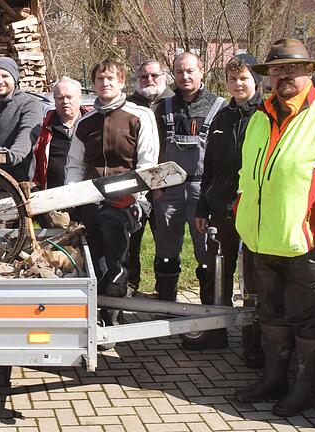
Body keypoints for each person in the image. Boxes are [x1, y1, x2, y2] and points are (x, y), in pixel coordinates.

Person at [234, 39, 315, 417]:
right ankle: (273, 379)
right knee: (269, 314)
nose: (284, 75)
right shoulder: (259, 116)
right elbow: (247, 175)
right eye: (277, 69)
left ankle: (304, 389)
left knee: (305, 321)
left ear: (310, 71)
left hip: (305, 246)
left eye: (293, 68)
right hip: (260, 240)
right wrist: (241, 210)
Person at [66, 58, 158, 341]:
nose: (105, 83)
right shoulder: (85, 122)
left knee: (114, 245)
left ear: (121, 82)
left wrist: (136, 196)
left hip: (126, 199)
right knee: (94, 256)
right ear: (93, 84)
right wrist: (72, 197)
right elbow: (74, 164)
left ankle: (113, 312)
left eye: (111, 79)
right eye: (100, 79)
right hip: (91, 199)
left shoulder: (139, 115)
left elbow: (147, 163)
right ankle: (98, 313)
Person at [184, 54, 264, 366]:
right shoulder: (222, 117)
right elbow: (211, 168)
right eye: (232, 79)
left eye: (243, 78)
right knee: (215, 274)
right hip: (220, 210)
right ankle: (215, 332)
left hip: (253, 212)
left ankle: (253, 343)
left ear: (255, 81)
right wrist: (203, 207)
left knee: (253, 278)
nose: (237, 84)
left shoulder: (266, 115)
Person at [153, 52, 227, 301]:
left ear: (201, 71)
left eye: (190, 71)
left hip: (201, 191)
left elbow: (223, 156)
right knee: (165, 251)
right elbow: (155, 151)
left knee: (206, 250)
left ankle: (208, 307)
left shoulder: (219, 107)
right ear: (173, 74)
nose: (184, 76)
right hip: (168, 189)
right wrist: (155, 189)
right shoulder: (163, 108)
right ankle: (166, 306)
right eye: (179, 71)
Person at [126, 60, 174, 291]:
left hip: (167, 183)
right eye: (144, 76)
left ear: (163, 76)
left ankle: (164, 288)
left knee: (165, 240)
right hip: (135, 183)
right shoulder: (127, 105)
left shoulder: (173, 103)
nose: (149, 80)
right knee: (131, 238)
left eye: (154, 75)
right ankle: (130, 283)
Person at [0, 57, 43, 182]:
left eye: (5, 76)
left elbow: (27, 135)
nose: (0, 81)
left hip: (15, 184)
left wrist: (12, 156)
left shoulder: (29, 104)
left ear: (15, 79)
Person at [32, 76, 87, 191]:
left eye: (69, 97)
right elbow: (34, 163)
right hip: (53, 196)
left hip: (88, 195)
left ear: (80, 98)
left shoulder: (91, 125)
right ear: (55, 101)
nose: (65, 102)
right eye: (60, 98)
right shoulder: (43, 129)